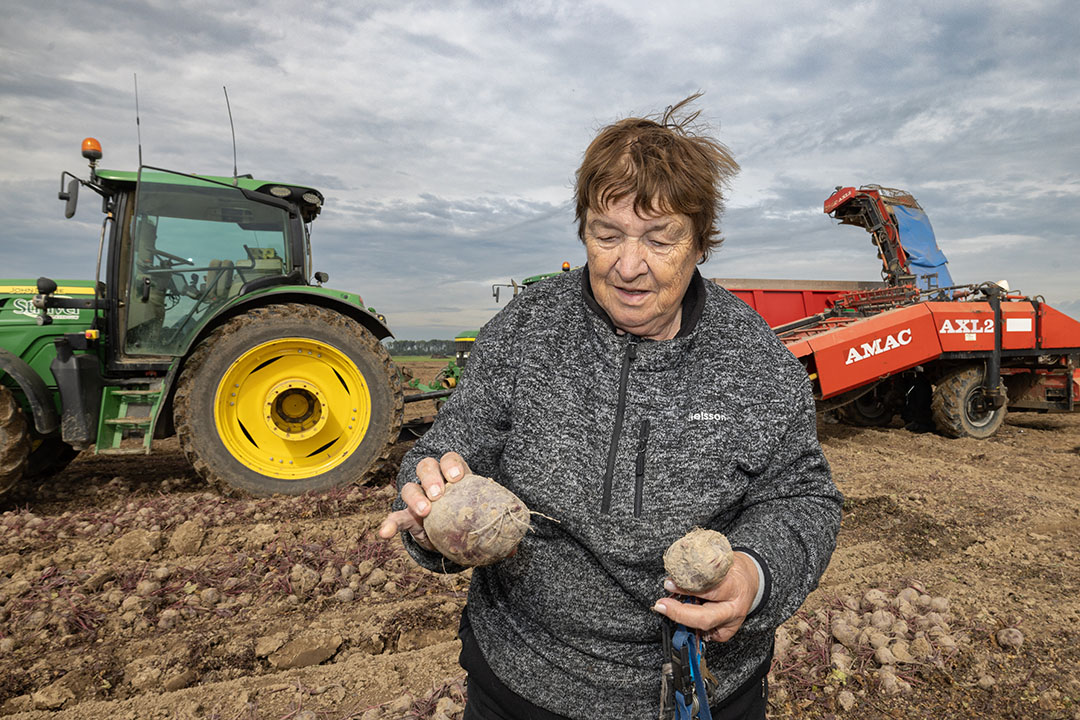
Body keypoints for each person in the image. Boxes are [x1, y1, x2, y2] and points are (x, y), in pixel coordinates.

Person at [378, 95, 843, 720]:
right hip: (523, 682)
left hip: (698, 689)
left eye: (660, 238)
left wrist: (753, 579)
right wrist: (430, 493)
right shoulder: (528, 329)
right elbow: (451, 443)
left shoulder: (754, 360)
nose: (630, 266)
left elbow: (803, 499)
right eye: (607, 235)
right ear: (583, 233)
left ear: (700, 243)